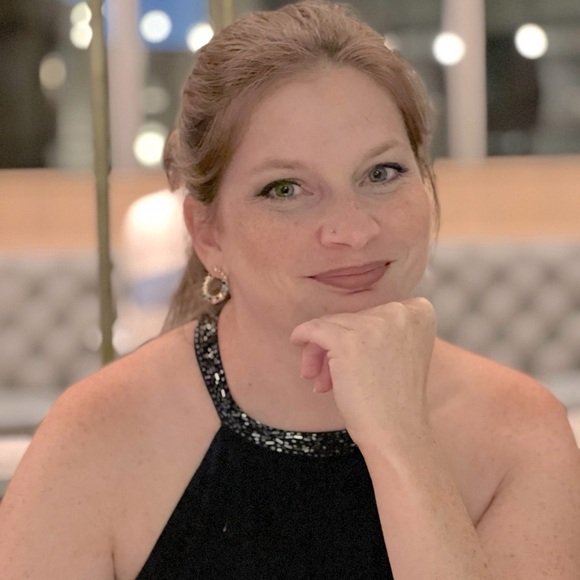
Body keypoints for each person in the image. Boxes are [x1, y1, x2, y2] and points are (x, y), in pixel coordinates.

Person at [1, 1, 579, 578]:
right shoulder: (99, 435)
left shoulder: (519, 431)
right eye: (285, 189)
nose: (352, 230)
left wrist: (401, 440)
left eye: (381, 173)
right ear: (208, 233)